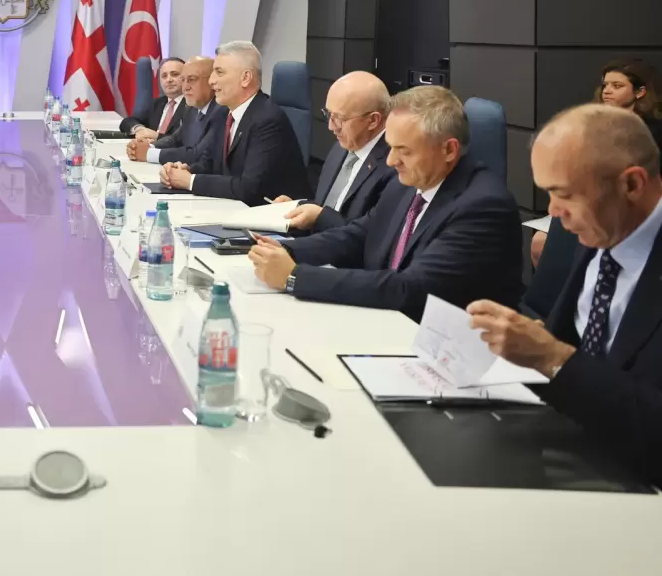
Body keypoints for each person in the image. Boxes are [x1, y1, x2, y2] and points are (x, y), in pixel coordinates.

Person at [469, 104, 662, 487]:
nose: (553, 212)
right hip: (563, 449)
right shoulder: (600, 229)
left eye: (565, 194)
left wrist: (553, 357)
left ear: (631, 185)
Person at [247, 85, 521, 320]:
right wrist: (284, 250)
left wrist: (295, 276)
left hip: (445, 345)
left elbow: (411, 288)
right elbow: (357, 235)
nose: (390, 161)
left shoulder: (483, 207)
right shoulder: (409, 183)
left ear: (449, 149)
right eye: (390, 147)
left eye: (404, 151)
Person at [530, 58, 662, 265]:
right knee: (539, 242)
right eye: (605, 85)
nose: (607, 91)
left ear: (640, 92)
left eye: (617, 86)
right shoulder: (592, 126)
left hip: (620, 212)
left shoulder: (653, 133)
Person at [159, 41, 308, 203]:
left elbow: (249, 189)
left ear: (245, 78)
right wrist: (182, 171)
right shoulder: (222, 113)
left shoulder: (268, 120)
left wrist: (190, 181)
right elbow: (208, 165)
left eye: (219, 72)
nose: (211, 80)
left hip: (270, 213)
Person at [275, 71, 396, 233]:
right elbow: (328, 205)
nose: (331, 126)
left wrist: (319, 217)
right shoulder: (341, 146)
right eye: (329, 114)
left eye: (340, 118)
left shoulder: (394, 165)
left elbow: (370, 236)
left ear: (373, 120)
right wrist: (296, 206)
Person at [126, 57, 224, 165]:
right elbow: (175, 140)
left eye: (191, 79)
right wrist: (148, 146)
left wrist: (148, 154)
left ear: (212, 81)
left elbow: (198, 154)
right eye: (183, 80)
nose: (185, 87)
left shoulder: (221, 112)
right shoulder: (191, 108)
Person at [119, 56, 186, 139]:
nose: (168, 80)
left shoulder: (192, 106)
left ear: (186, 77)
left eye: (175, 74)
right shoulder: (157, 103)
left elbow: (185, 140)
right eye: (164, 76)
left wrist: (156, 136)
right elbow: (127, 122)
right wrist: (139, 129)